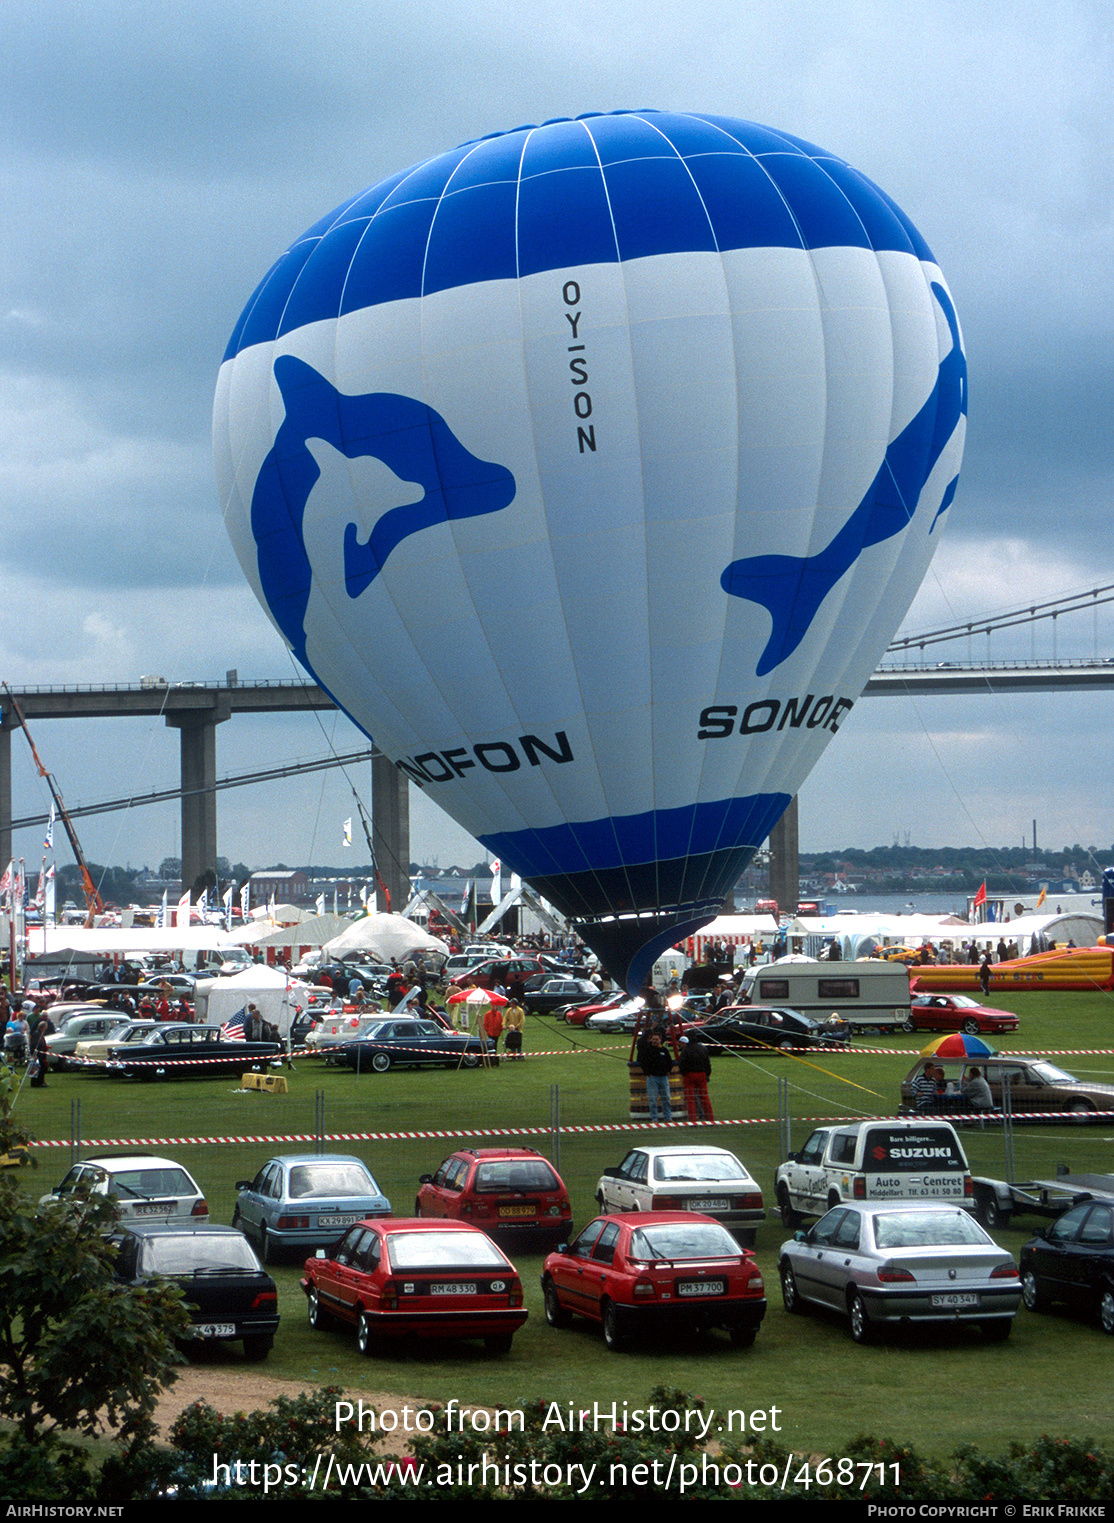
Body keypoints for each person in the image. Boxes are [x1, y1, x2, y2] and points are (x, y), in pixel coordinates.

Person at [637, 1029, 675, 1123]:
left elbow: (669, 1062)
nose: (654, 1041)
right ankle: (654, 1118)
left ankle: (668, 1117)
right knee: (653, 1099)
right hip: (652, 1078)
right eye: (653, 1039)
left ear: (660, 1040)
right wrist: (648, 1073)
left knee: (666, 1098)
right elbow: (643, 1063)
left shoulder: (664, 1050)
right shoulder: (647, 1050)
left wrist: (668, 1071)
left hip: (664, 1077)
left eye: (656, 1039)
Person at [678, 1032, 713, 1121]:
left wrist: (684, 1073)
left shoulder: (686, 1050)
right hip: (701, 1074)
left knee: (690, 1099)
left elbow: (681, 1064)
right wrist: (707, 1074)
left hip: (689, 1075)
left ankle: (692, 1119)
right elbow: (707, 1064)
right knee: (704, 1097)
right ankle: (710, 1118)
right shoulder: (703, 1049)